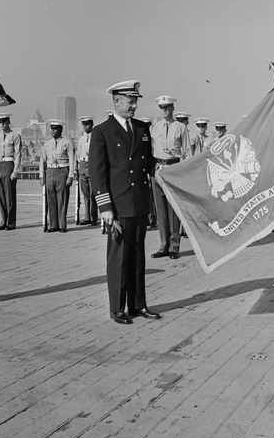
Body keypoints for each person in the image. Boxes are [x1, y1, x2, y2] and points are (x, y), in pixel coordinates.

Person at [89, 80, 160, 324]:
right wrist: (105, 208)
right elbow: (97, 173)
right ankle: (117, 308)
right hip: (118, 206)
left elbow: (147, 162)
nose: (134, 106)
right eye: (130, 101)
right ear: (116, 101)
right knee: (119, 258)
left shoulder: (142, 128)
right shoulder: (102, 131)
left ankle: (138, 305)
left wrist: (160, 168)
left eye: (136, 101)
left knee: (138, 256)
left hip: (139, 202)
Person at [150, 95, 191, 259]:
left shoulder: (180, 127)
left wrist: (183, 173)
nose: (164, 109)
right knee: (161, 210)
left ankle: (174, 246)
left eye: (167, 106)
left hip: (174, 167)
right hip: (159, 168)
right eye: (161, 107)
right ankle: (163, 245)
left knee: (174, 209)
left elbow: (188, 152)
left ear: (173, 108)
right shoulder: (154, 127)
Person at [39, 119, 75, 233]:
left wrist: (70, 176)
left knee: (62, 199)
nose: (53, 131)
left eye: (55, 129)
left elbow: (72, 160)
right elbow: (42, 160)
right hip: (50, 171)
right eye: (51, 129)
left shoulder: (67, 143)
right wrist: (41, 175)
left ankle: (62, 225)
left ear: (60, 130)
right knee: (51, 199)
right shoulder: (47, 144)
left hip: (62, 171)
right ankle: (53, 225)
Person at [0, 112, 22, 230]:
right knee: (0, 195)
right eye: (0, 122)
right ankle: (3, 220)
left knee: (10, 195)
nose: (2, 124)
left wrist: (15, 170)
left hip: (8, 164)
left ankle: (10, 222)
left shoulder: (15, 136)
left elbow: (18, 153)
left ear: (9, 122)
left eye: (4, 121)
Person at [76, 116, 98, 225]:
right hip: (83, 164)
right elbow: (78, 153)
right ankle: (87, 217)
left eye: (87, 124)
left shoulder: (96, 137)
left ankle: (94, 217)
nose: (85, 127)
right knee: (85, 193)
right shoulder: (81, 139)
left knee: (93, 193)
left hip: (92, 164)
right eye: (84, 125)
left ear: (92, 124)